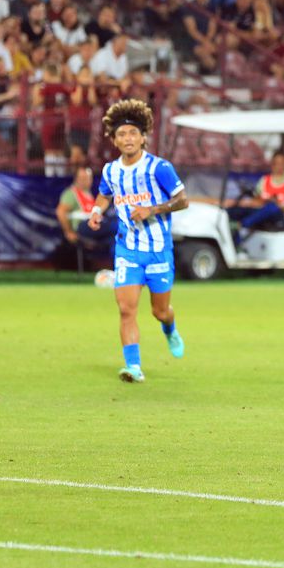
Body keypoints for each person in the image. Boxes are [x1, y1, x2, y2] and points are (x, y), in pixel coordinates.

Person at [87, 99, 189, 383]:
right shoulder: (111, 171)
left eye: (133, 133)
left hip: (158, 252)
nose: (128, 138)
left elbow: (183, 200)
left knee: (160, 311)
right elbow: (105, 194)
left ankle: (170, 328)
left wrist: (152, 210)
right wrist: (96, 211)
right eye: (121, 134)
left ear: (143, 137)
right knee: (126, 309)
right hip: (128, 250)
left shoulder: (159, 168)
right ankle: (134, 367)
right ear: (114, 140)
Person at [232, 151, 284, 241]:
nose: (278, 166)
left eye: (281, 163)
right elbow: (256, 201)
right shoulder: (264, 180)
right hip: (262, 213)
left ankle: (242, 226)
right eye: (275, 163)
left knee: (272, 207)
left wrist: (279, 205)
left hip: (281, 217)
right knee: (239, 208)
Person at [57, 165, 114, 255]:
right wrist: (69, 232)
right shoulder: (70, 194)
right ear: (76, 179)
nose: (86, 181)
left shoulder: (88, 194)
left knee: (115, 237)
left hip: (94, 225)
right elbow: (60, 212)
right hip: (82, 227)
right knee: (115, 226)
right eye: (82, 178)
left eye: (88, 178)